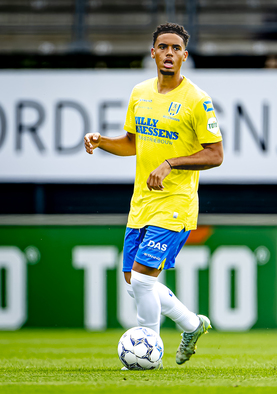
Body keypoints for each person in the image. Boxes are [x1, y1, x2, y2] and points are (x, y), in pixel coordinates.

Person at [84, 22, 223, 368]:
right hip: (142, 203)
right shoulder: (140, 93)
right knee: (134, 282)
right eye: (164, 47)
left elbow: (216, 154)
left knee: (145, 279)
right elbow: (132, 143)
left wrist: (170, 164)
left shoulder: (196, 101)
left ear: (184, 56)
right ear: (153, 53)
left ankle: (150, 350)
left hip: (176, 203)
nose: (169, 53)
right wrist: (102, 142)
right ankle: (192, 325)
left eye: (176, 48)